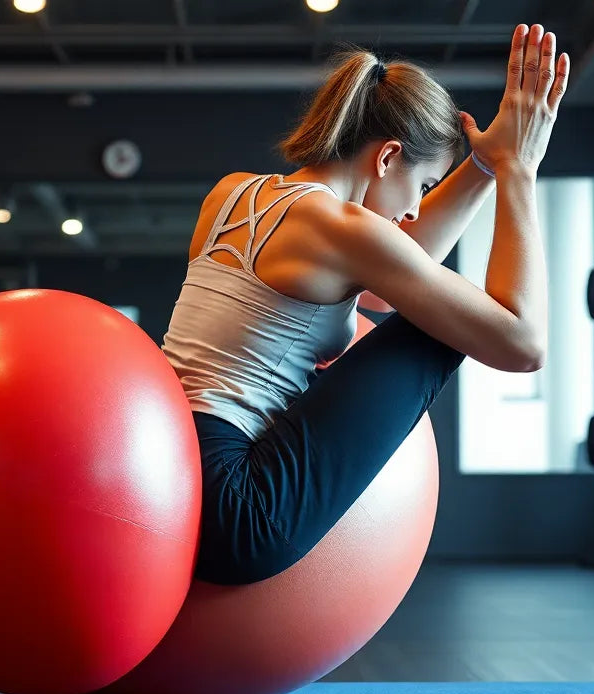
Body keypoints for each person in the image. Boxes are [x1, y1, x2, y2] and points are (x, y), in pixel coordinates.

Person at [161, 24, 567, 585]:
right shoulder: (341, 228)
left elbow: (383, 282)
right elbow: (524, 344)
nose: (412, 213)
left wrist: (483, 166)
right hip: (235, 513)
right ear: (387, 157)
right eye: (423, 187)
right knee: (442, 325)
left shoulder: (235, 192)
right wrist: (519, 172)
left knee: (432, 304)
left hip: (166, 475)